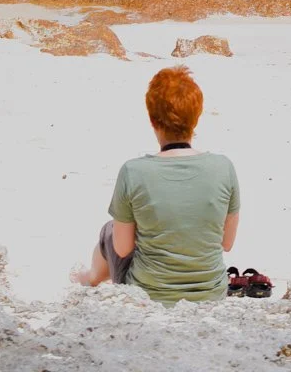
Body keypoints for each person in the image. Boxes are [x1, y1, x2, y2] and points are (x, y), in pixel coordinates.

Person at [72, 65, 240, 303]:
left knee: (110, 230)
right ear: (197, 117)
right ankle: (90, 277)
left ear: (152, 119)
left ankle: (90, 279)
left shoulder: (133, 171)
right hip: (212, 292)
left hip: (147, 294)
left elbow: (121, 249)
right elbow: (227, 243)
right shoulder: (224, 167)